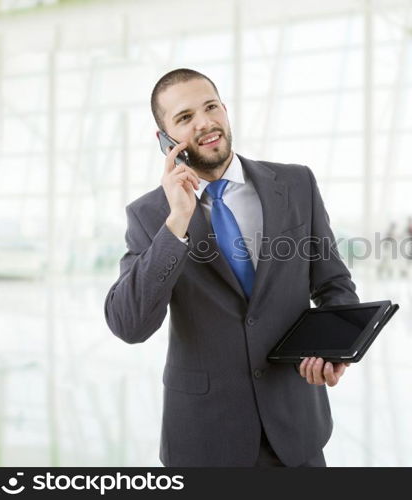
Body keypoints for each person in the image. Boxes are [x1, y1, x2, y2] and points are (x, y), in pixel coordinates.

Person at [104, 68, 359, 467]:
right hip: (205, 440)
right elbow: (129, 324)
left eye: (210, 107)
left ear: (225, 110)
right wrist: (177, 223)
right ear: (165, 139)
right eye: (185, 118)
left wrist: (332, 346)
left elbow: (333, 282)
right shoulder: (150, 214)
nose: (204, 122)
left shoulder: (295, 185)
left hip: (296, 432)